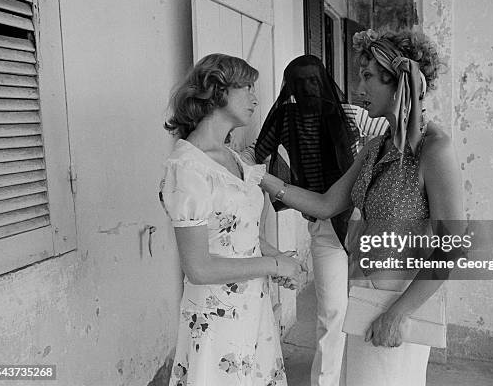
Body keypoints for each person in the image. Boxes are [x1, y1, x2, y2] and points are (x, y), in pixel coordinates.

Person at [258, 29, 464, 386]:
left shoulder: (434, 149)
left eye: (368, 76)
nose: (359, 88)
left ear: (398, 83)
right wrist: (260, 178)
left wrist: (400, 312)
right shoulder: (375, 147)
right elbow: (325, 204)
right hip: (365, 294)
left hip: (401, 301)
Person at [159, 53, 305, 386]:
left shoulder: (232, 156)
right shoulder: (188, 167)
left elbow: (239, 233)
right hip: (216, 317)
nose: (256, 98)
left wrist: (277, 257)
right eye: (247, 87)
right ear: (217, 90)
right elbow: (199, 268)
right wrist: (273, 267)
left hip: (252, 307)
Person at [247, 55, 359, 386]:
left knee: (369, 305)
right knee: (333, 312)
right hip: (324, 226)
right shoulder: (285, 117)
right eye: (301, 82)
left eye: (314, 80)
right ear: (291, 87)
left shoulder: (349, 113)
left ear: (324, 81)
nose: (309, 87)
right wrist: (228, 166)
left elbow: (396, 131)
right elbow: (257, 152)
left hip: (361, 220)